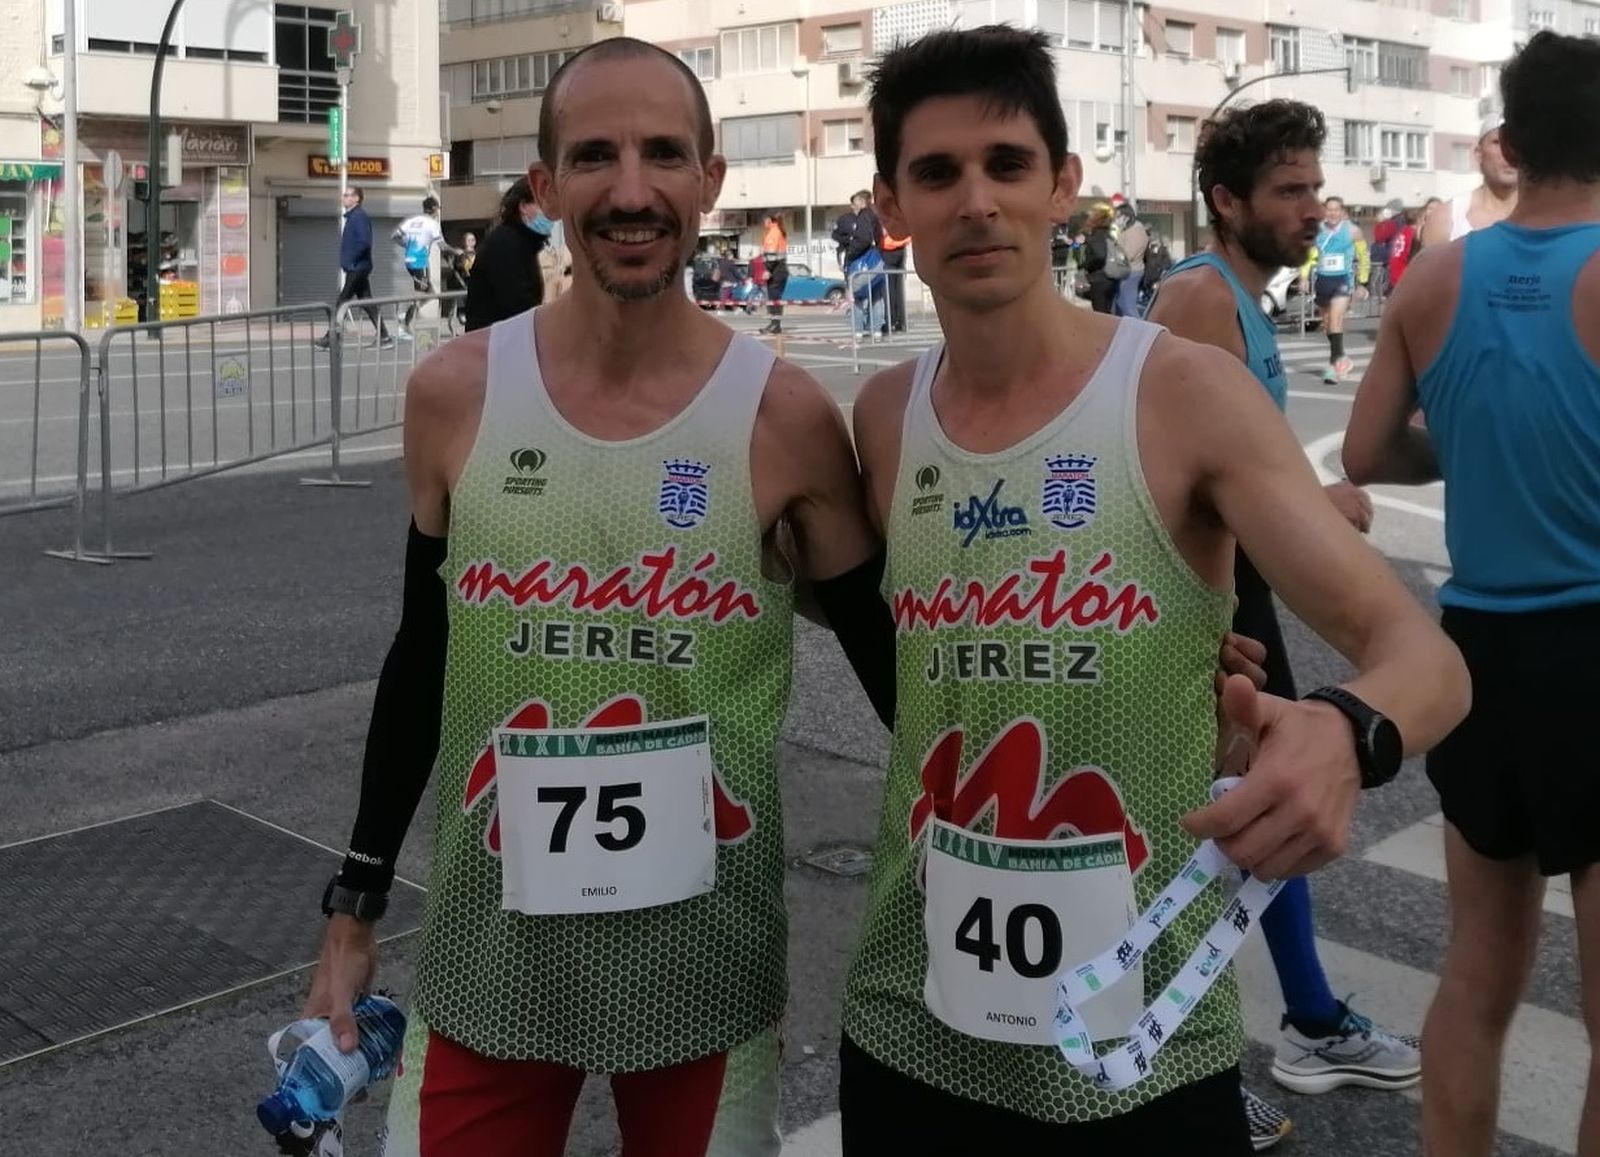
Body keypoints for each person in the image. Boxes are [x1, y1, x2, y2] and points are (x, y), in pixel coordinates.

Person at [841, 25, 1470, 1153]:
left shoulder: (1180, 393)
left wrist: (1342, 731)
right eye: (936, 173)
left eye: (1007, 164)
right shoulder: (883, 419)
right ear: (891, 201)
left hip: (1140, 1043)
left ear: (1064, 186)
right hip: (909, 1016)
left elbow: (1421, 657)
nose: (975, 200)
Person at [303, 37, 893, 1157]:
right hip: (489, 958)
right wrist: (355, 903)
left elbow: (905, 672)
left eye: (664, 154)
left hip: (703, 970)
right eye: (595, 157)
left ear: (710, 180)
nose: (632, 191)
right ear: (545, 188)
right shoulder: (454, 396)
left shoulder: (786, 418)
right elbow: (421, 657)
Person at [1146, 98, 1425, 1150]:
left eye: (1315, 186)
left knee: (1256, 815)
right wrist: (1312, 515)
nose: (1315, 208)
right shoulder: (1198, 298)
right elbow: (1164, 472)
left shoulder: (1247, 302)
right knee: (1202, 828)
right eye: (1290, 191)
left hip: (1234, 592)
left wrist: (1306, 510)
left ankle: (1302, 1023)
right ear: (1227, 201)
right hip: (1199, 604)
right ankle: (1208, 1069)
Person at [1343, 31, 1600, 1157]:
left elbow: (1363, 450)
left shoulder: (1435, 275)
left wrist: (1476, 445)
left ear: (1513, 138)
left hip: (1475, 658)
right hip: (1595, 653)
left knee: (1474, 976)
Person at [464, 178, 552, 332]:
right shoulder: (507, 243)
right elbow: (518, 304)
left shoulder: (522, 242)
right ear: (523, 206)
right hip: (496, 343)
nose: (550, 214)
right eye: (543, 205)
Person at [1421, 113, 1518, 247]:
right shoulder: (1447, 219)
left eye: (1516, 143)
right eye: (1498, 142)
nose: (1509, 152)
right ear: (1479, 154)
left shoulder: (1547, 218)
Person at [1300, 196, 1369, 383]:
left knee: (1336, 319)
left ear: (1342, 211)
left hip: (1343, 280)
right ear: (1324, 211)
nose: (1332, 213)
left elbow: (1364, 256)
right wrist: (1304, 276)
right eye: (1329, 210)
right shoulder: (1317, 231)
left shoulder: (1353, 231)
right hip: (1323, 281)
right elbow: (1309, 255)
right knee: (1327, 324)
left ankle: (1334, 366)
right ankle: (1343, 357)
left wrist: (1363, 282)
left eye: (1336, 209)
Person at [315, 186, 393, 350]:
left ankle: (331, 338)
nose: (343, 198)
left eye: (347, 195)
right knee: (367, 302)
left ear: (356, 198)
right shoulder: (353, 218)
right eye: (344, 195)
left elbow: (365, 242)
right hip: (358, 267)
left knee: (341, 302)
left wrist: (351, 261)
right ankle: (385, 336)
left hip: (357, 267)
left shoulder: (359, 217)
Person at [395, 195, 458, 339]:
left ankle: (405, 317)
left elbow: (396, 236)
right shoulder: (432, 224)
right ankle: (404, 322)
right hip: (420, 262)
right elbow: (442, 245)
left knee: (428, 293)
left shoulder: (414, 221)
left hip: (411, 261)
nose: (438, 212)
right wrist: (456, 251)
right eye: (437, 209)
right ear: (434, 209)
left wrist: (408, 246)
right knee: (423, 294)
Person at [1079, 202, 1120, 313]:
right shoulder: (1109, 236)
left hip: (1099, 279)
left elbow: (1100, 255)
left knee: (1100, 311)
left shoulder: (1097, 237)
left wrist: (1086, 265)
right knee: (1108, 310)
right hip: (1111, 277)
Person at [1113, 199, 1149, 318]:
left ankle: (1139, 331)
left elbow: (1129, 254)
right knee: (1121, 304)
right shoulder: (1127, 229)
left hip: (1132, 271)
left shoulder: (1136, 230)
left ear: (1126, 216)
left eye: (1118, 216)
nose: (1116, 219)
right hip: (1126, 271)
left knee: (1127, 305)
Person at [759, 212, 787, 335]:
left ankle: (775, 325)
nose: (763, 223)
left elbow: (771, 255)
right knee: (775, 299)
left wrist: (767, 270)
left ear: (769, 220)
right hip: (780, 270)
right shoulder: (778, 231)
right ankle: (774, 324)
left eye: (764, 220)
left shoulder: (773, 233)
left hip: (775, 271)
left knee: (774, 299)